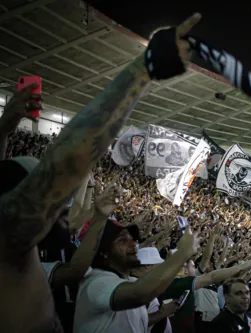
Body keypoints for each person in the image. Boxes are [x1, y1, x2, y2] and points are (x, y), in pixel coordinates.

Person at [0, 12, 202, 333]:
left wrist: (4, 132)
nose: (56, 198)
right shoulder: (11, 241)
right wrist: (142, 69)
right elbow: (69, 160)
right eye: (36, 185)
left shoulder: (22, 255)